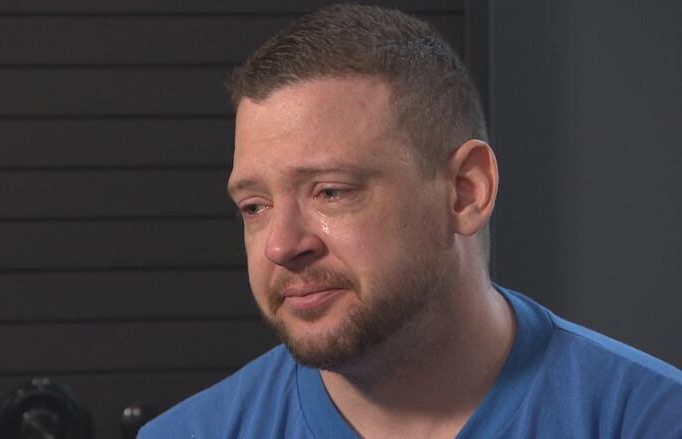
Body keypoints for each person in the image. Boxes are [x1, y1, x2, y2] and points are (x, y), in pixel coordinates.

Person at [139, 4, 682, 438]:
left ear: (466, 192)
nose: (281, 245)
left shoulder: (650, 419)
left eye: (331, 192)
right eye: (255, 206)